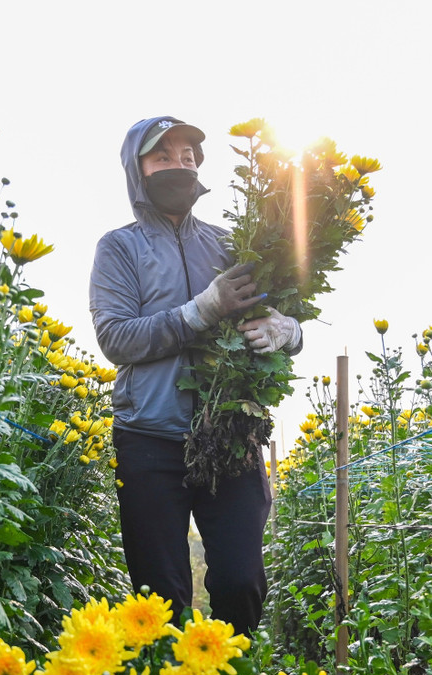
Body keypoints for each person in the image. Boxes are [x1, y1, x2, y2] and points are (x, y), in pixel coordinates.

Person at [88, 116, 303, 635]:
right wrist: (201, 310)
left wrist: (288, 330)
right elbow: (116, 338)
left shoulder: (232, 244)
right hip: (149, 439)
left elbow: (284, 314)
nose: (178, 165)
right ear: (137, 170)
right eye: (162, 157)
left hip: (230, 435)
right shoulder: (119, 249)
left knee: (241, 580)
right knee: (159, 596)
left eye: (187, 156)